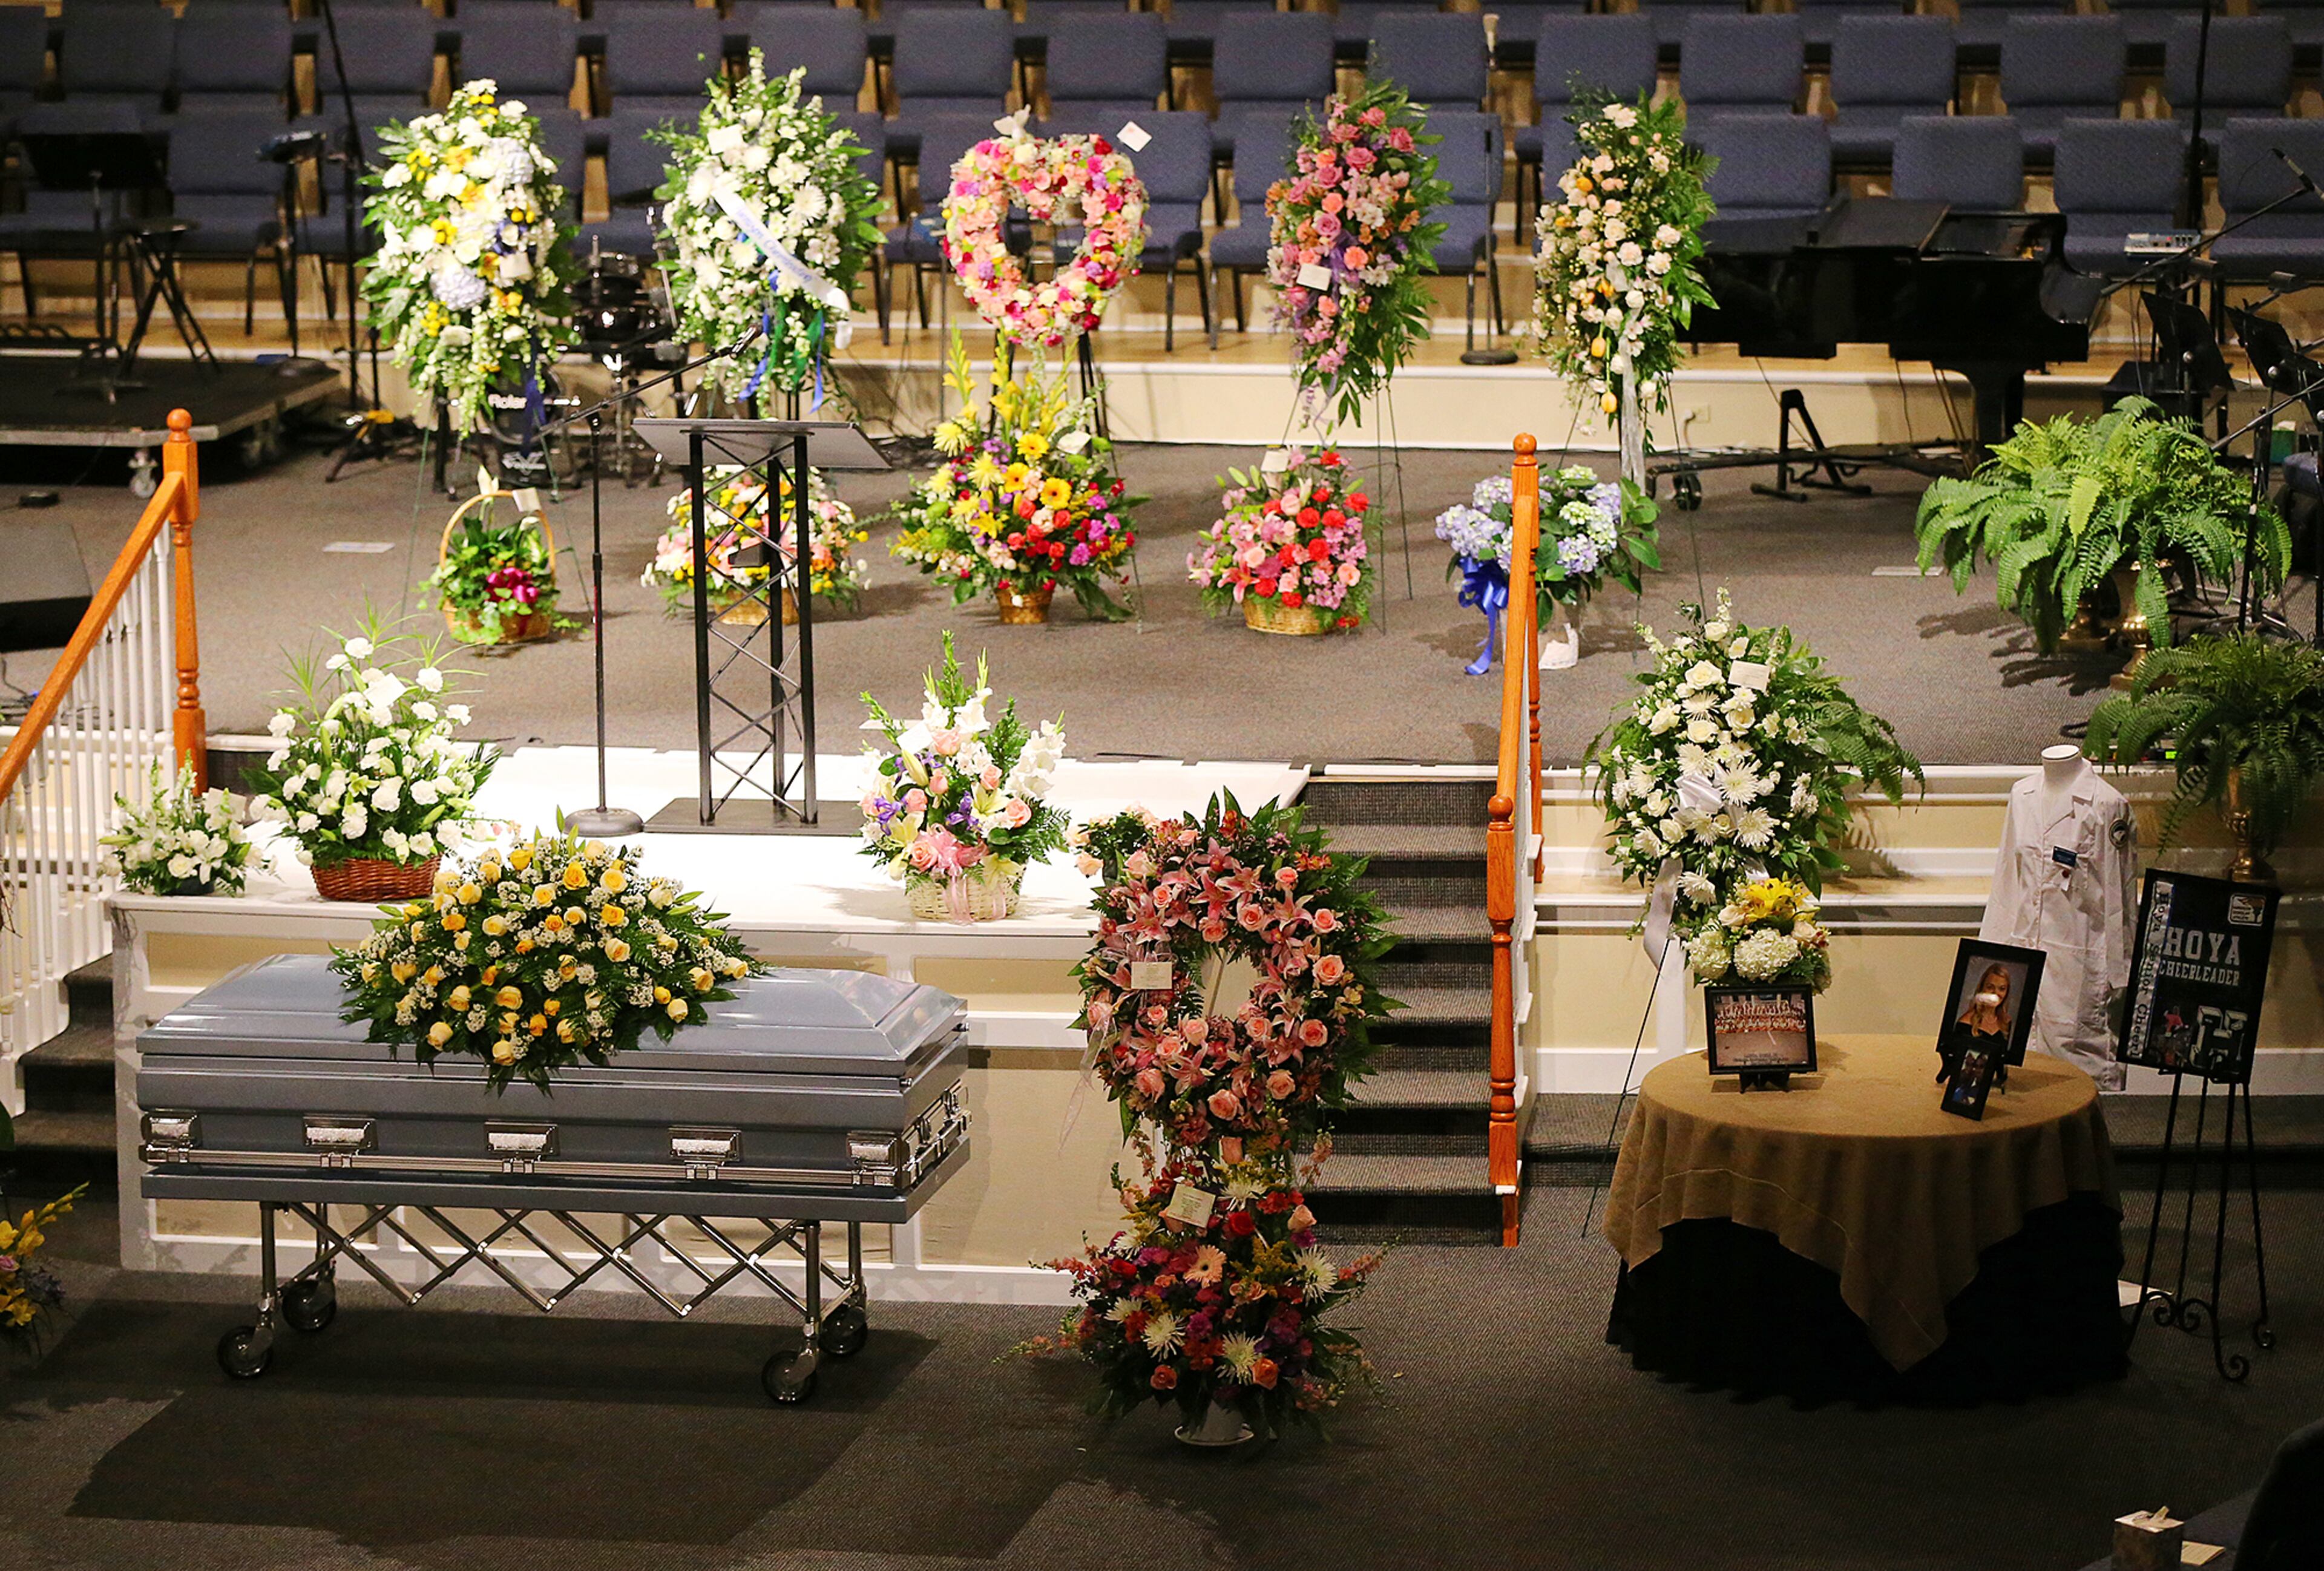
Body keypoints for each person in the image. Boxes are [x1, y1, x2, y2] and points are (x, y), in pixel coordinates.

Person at [1938, 963, 2015, 1080]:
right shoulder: (1965, 1022)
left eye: (2002, 989)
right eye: (1990, 987)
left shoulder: (2006, 1023)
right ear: (1982, 989)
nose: (1996, 993)